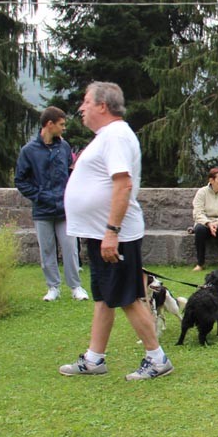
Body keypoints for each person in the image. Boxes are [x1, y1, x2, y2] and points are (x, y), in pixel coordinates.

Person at [59, 82, 172, 380]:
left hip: (114, 235)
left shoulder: (117, 135)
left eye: (86, 101)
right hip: (100, 233)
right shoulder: (106, 136)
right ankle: (94, 359)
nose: (81, 108)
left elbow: (123, 184)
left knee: (126, 297)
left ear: (102, 105)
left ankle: (157, 359)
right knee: (104, 297)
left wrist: (112, 232)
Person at [15, 106, 88, 302]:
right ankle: (53, 287)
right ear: (50, 124)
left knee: (70, 249)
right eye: (61, 124)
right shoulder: (28, 151)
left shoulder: (64, 147)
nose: (64, 128)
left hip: (65, 209)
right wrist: (39, 195)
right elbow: (20, 180)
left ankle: (76, 287)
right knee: (47, 250)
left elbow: (71, 173)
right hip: (42, 210)